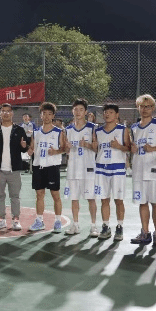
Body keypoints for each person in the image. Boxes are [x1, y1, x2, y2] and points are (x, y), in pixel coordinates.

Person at [129, 95, 156, 247]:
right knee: (142, 202)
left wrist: (154, 148)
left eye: (148, 106)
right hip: (138, 169)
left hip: (154, 169)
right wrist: (132, 149)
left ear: (153, 108)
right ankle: (145, 232)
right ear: (138, 108)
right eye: (142, 106)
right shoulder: (134, 127)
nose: (144, 109)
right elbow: (133, 147)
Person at [0, 103, 29, 230]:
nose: (6, 113)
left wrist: (24, 146)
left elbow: (24, 148)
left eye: (8, 111)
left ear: (12, 113)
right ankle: (1, 219)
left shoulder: (19, 130)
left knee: (15, 196)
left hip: (14, 170)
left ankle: (16, 220)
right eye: (3, 111)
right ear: (0, 114)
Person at [93, 104, 130, 240]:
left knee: (118, 200)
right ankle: (105, 226)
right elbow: (95, 149)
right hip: (101, 168)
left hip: (117, 169)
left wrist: (119, 146)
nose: (107, 114)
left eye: (110, 112)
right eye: (105, 112)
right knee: (104, 199)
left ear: (116, 115)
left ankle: (119, 227)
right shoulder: (97, 131)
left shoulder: (123, 130)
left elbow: (129, 148)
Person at [27, 102, 66, 232]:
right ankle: (39, 221)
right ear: (41, 115)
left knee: (55, 195)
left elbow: (64, 148)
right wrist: (28, 150)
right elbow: (32, 148)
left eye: (49, 114)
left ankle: (58, 221)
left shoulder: (59, 132)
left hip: (52, 167)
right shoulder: (36, 132)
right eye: (44, 113)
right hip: (38, 166)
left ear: (53, 116)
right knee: (39, 194)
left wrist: (56, 152)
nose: (47, 116)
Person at [63, 99, 98, 235]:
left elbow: (97, 149)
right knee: (74, 198)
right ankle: (75, 225)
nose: (78, 112)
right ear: (72, 111)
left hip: (88, 168)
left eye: (81, 109)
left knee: (91, 198)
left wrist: (87, 145)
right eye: (75, 109)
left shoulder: (93, 127)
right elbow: (66, 151)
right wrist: (67, 148)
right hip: (73, 168)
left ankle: (93, 226)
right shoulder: (68, 129)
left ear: (86, 112)